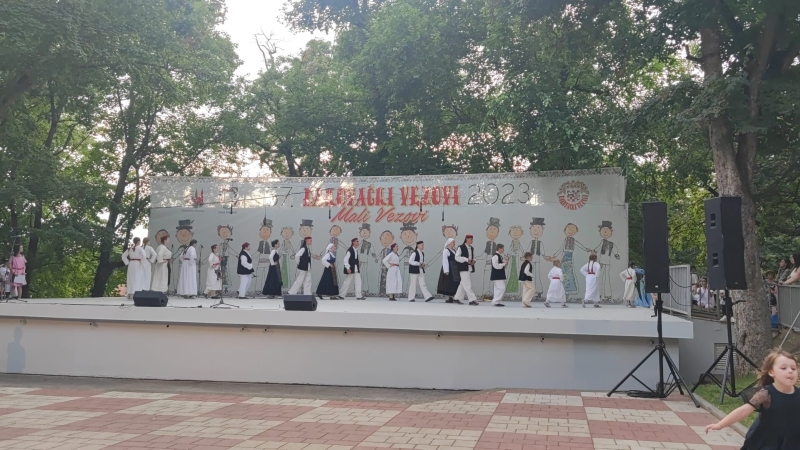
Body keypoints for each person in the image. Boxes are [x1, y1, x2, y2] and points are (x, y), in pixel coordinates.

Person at [704, 349, 800, 449]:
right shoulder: (765, 394)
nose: (790, 371)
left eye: (793, 368)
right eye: (783, 368)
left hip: (792, 442)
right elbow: (743, 411)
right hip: (767, 441)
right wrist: (720, 424)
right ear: (771, 372)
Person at [454, 234, 479, 306]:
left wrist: (473, 260)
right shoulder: (461, 247)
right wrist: (466, 260)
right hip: (463, 268)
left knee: (463, 284)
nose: (472, 241)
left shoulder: (472, 248)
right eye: (471, 239)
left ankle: (457, 298)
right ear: (467, 239)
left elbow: (473, 256)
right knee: (467, 284)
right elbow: (457, 257)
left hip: (469, 268)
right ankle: (472, 299)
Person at [437, 238, 460, 302]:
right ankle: (447, 297)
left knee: (454, 282)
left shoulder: (454, 250)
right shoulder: (446, 250)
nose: (454, 243)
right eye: (453, 242)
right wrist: (446, 270)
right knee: (448, 283)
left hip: (454, 269)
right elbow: (444, 260)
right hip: (449, 268)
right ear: (449, 243)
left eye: (454, 242)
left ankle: (452, 296)